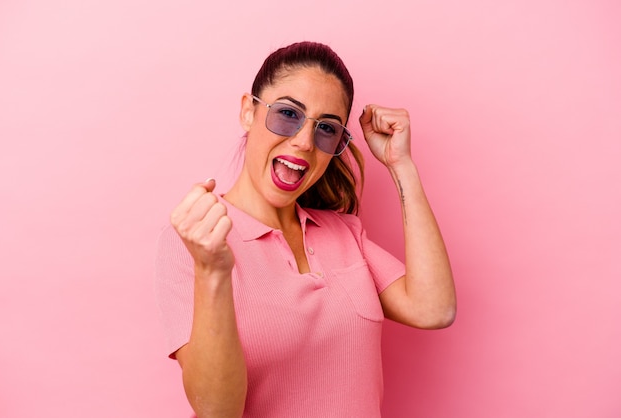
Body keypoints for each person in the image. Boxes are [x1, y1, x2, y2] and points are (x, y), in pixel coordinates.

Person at [155, 41, 456, 418]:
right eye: (287, 114)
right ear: (249, 111)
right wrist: (213, 269)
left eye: (326, 129)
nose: (303, 142)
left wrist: (401, 165)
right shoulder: (193, 242)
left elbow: (434, 309)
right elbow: (217, 411)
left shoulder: (344, 233)